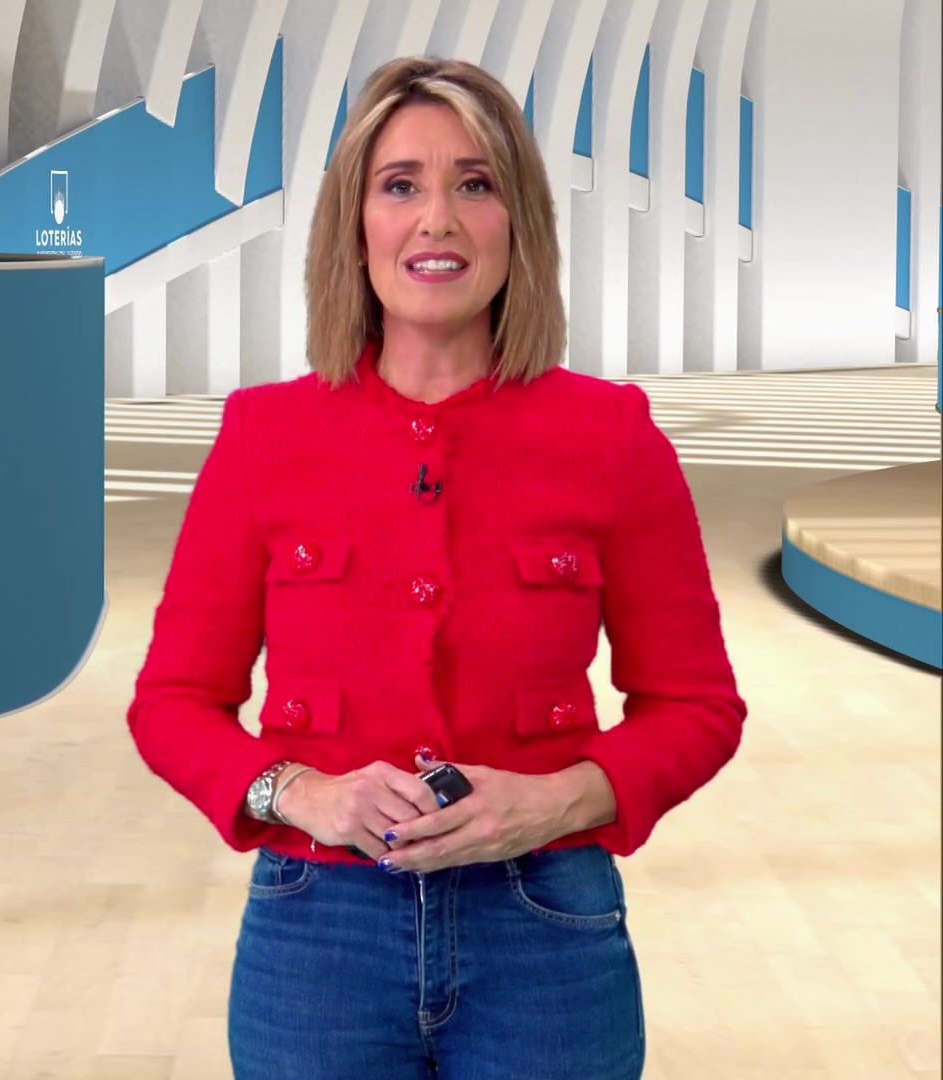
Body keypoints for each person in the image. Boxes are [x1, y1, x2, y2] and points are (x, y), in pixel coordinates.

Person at [125, 56, 746, 1080]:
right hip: (316, 936)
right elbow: (172, 703)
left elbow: (697, 706)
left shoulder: (612, 437)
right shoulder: (264, 437)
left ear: (518, 222)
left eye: (476, 183)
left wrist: (557, 801)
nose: (437, 219)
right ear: (355, 224)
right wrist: (299, 792)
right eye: (401, 184)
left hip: (546, 933)